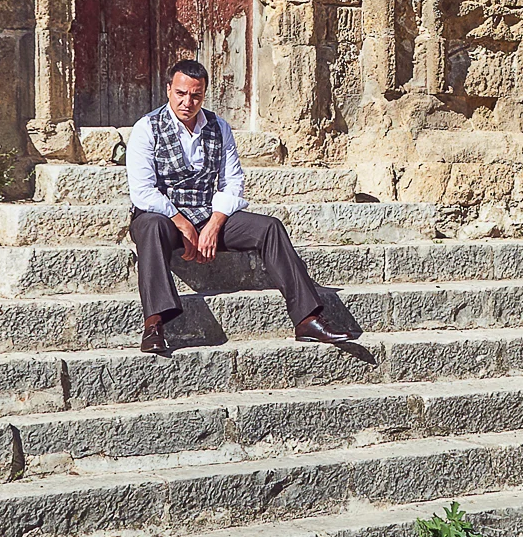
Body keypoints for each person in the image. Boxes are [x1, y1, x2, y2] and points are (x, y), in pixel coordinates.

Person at [125, 59, 357, 356]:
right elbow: (143, 191)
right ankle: (154, 323)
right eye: (181, 93)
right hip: (165, 218)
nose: (187, 102)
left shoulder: (219, 127)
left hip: (207, 214)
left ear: (204, 95)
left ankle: (307, 319)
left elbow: (233, 183)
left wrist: (214, 224)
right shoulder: (146, 128)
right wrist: (181, 222)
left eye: (195, 96)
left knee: (268, 227)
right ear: (169, 89)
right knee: (151, 225)